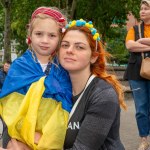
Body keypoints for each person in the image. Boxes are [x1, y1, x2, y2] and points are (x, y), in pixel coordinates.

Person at [0, 6, 72, 150]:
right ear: (30, 36)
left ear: (60, 38)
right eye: (39, 34)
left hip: (53, 138)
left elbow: (66, 106)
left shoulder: (64, 69)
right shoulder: (19, 66)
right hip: (19, 135)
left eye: (52, 35)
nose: (45, 40)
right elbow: (10, 106)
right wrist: (28, 132)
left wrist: (48, 135)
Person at [59, 19, 126, 150]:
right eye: (65, 45)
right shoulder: (55, 89)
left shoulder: (103, 94)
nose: (69, 50)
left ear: (93, 56)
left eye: (79, 47)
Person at [124, 0, 150, 150]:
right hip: (136, 73)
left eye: (146, 9)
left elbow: (135, 45)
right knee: (141, 108)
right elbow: (129, 46)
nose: (142, 11)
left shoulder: (138, 34)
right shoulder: (134, 29)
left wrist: (141, 41)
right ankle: (144, 139)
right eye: (141, 9)